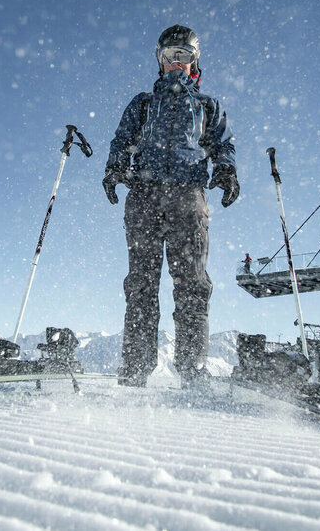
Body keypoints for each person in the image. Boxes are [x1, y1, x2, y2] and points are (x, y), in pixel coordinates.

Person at [103, 24, 238, 388]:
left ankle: (193, 370)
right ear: (160, 62)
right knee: (142, 284)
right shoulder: (143, 103)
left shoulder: (207, 105)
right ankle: (135, 368)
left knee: (192, 283)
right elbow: (122, 140)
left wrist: (226, 170)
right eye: (170, 56)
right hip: (144, 197)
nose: (176, 62)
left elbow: (222, 145)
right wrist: (115, 166)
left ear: (195, 63)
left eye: (184, 56)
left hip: (188, 198)